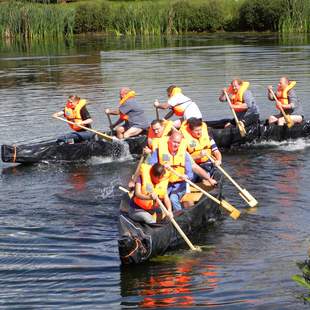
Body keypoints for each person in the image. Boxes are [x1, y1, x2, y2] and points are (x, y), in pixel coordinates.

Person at [147, 131, 216, 212]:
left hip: (180, 184)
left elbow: (190, 174)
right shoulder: (159, 151)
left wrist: (186, 176)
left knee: (173, 198)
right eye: (174, 142)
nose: (176, 145)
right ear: (169, 140)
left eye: (178, 143)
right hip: (164, 183)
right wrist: (161, 167)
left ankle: (180, 217)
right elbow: (151, 167)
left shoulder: (184, 154)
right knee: (158, 200)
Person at [180, 117, 222, 182]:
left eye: (200, 130)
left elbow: (216, 152)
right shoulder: (184, 142)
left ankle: (208, 180)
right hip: (194, 166)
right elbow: (184, 159)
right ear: (191, 131)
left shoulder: (208, 138)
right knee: (191, 177)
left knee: (212, 175)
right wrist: (198, 156)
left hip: (207, 164)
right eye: (196, 131)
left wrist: (219, 160)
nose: (199, 132)